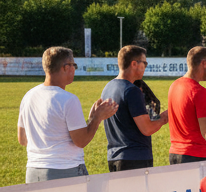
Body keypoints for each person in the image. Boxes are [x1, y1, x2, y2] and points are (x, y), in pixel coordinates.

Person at [18, 46, 117, 183]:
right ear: (65, 67)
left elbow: (22, 139)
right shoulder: (68, 99)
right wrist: (97, 118)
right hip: (65, 170)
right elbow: (81, 141)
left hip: (33, 171)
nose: (74, 69)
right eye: (73, 65)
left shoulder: (28, 96)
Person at [101, 45, 168, 172]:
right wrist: (165, 117)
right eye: (144, 63)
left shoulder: (108, 87)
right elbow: (147, 129)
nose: (145, 67)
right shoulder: (132, 90)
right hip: (135, 158)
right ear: (134, 64)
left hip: (114, 156)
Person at [168, 46, 206, 165]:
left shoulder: (174, 86)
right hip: (196, 156)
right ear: (204, 63)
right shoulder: (200, 92)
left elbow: (188, 116)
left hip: (175, 153)